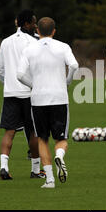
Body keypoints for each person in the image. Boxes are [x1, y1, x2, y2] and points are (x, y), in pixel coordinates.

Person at [17, 17, 79, 188]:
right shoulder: (63, 46)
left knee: (42, 139)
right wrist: (67, 81)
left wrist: (34, 85)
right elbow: (74, 65)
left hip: (38, 99)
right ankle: (59, 155)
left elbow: (19, 74)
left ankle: (50, 179)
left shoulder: (29, 49)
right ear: (54, 31)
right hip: (59, 97)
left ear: (37, 31)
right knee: (61, 138)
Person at [0, 9, 45, 180]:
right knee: (33, 132)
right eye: (33, 22)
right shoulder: (33, 43)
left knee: (9, 131)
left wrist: (8, 82)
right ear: (26, 24)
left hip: (10, 92)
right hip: (29, 93)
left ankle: (4, 167)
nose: (35, 25)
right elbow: (38, 68)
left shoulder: (5, 42)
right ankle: (36, 170)